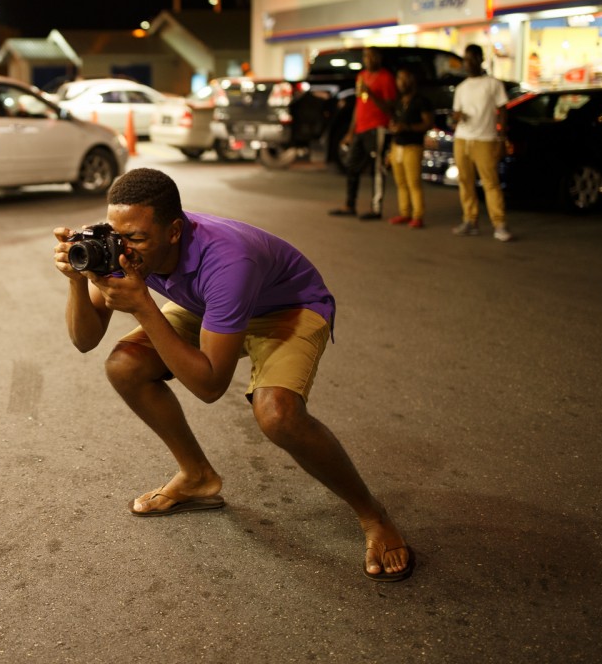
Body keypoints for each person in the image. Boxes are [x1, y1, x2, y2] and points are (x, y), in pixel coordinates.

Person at [52, 168, 414, 581]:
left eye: (135, 238)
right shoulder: (124, 243)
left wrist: (143, 307)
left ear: (174, 231)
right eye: (117, 234)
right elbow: (85, 340)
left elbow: (209, 385)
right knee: (125, 366)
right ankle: (197, 478)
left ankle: (374, 516)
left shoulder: (228, 260)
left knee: (278, 414)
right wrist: (76, 282)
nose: (123, 248)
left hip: (286, 308)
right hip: (207, 305)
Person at [451, 44, 511, 241]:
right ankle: (470, 219)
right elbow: (455, 113)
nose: (467, 63)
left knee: (490, 182)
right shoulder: (461, 88)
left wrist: (501, 139)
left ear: (479, 59)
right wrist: (457, 117)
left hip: (485, 139)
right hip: (462, 138)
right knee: (465, 181)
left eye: (470, 59)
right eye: (465, 60)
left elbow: (503, 111)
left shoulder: (493, 84)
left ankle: (499, 224)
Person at [330, 48, 397, 220]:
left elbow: (390, 107)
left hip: (377, 127)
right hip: (360, 128)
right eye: (366, 56)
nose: (368, 59)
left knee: (377, 168)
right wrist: (350, 132)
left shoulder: (386, 78)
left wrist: (371, 93)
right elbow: (359, 105)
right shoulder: (362, 76)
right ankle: (350, 204)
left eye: (372, 56)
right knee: (352, 165)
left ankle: (376, 209)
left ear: (379, 58)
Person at [386, 68, 434, 228]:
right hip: (397, 145)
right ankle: (404, 213)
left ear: (412, 81)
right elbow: (395, 122)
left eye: (404, 79)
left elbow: (428, 124)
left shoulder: (421, 101)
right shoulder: (399, 102)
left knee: (413, 182)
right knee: (400, 182)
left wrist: (407, 127)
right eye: (399, 79)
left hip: (413, 146)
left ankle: (418, 215)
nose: (401, 83)